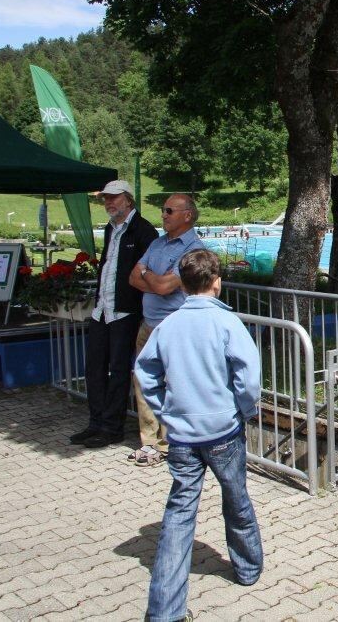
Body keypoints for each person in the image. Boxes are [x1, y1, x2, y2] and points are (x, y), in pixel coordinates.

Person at [135, 249, 263, 622]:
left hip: (182, 436)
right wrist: (244, 409)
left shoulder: (168, 325)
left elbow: (145, 374)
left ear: (184, 284)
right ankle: (248, 568)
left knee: (178, 515)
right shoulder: (227, 324)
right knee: (236, 497)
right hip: (223, 430)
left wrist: (165, 413)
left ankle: (164, 610)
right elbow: (248, 378)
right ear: (217, 282)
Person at [71, 180, 157, 449]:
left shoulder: (143, 230)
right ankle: (96, 422)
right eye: (105, 199)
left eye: (114, 198)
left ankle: (112, 427)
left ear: (128, 200)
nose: (108, 203)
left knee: (118, 370)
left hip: (125, 311)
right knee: (94, 368)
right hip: (102, 309)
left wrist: (140, 307)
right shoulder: (111, 229)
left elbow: (144, 273)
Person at [128, 193, 205, 467]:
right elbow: (132, 278)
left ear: (187, 215)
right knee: (144, 382)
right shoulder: (158, 243)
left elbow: (162, 287)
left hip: (174, 327)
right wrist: (154, 278)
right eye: (163, 210)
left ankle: (172, 442)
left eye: (169, 210)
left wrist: (147, 274)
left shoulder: (194, 250)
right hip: (148, 325)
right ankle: (150, 444)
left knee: (173, 386)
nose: (163, 214)